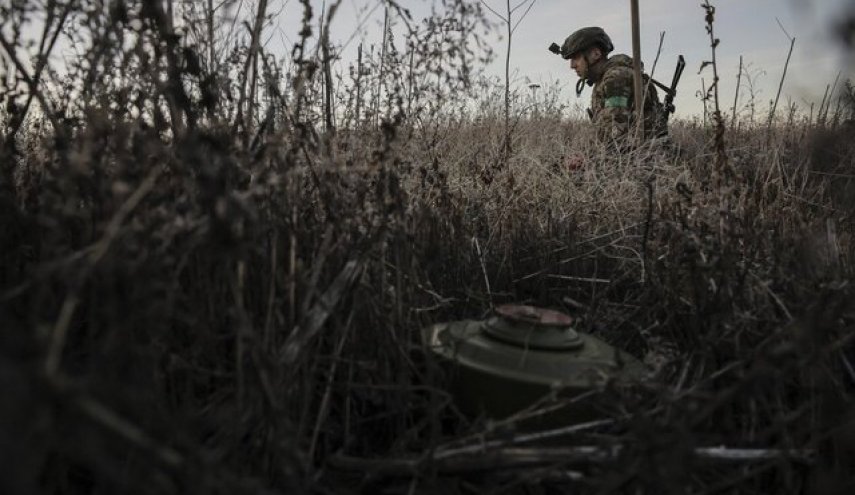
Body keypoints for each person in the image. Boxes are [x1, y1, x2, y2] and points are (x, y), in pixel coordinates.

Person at [556, 27, 667, 150]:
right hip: (632, 155)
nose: (572, 65)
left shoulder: (616, 77)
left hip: (645, 158)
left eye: (576, 58)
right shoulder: (604, 79)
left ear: (596, 54)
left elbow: (614, 135)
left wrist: (586, 157)